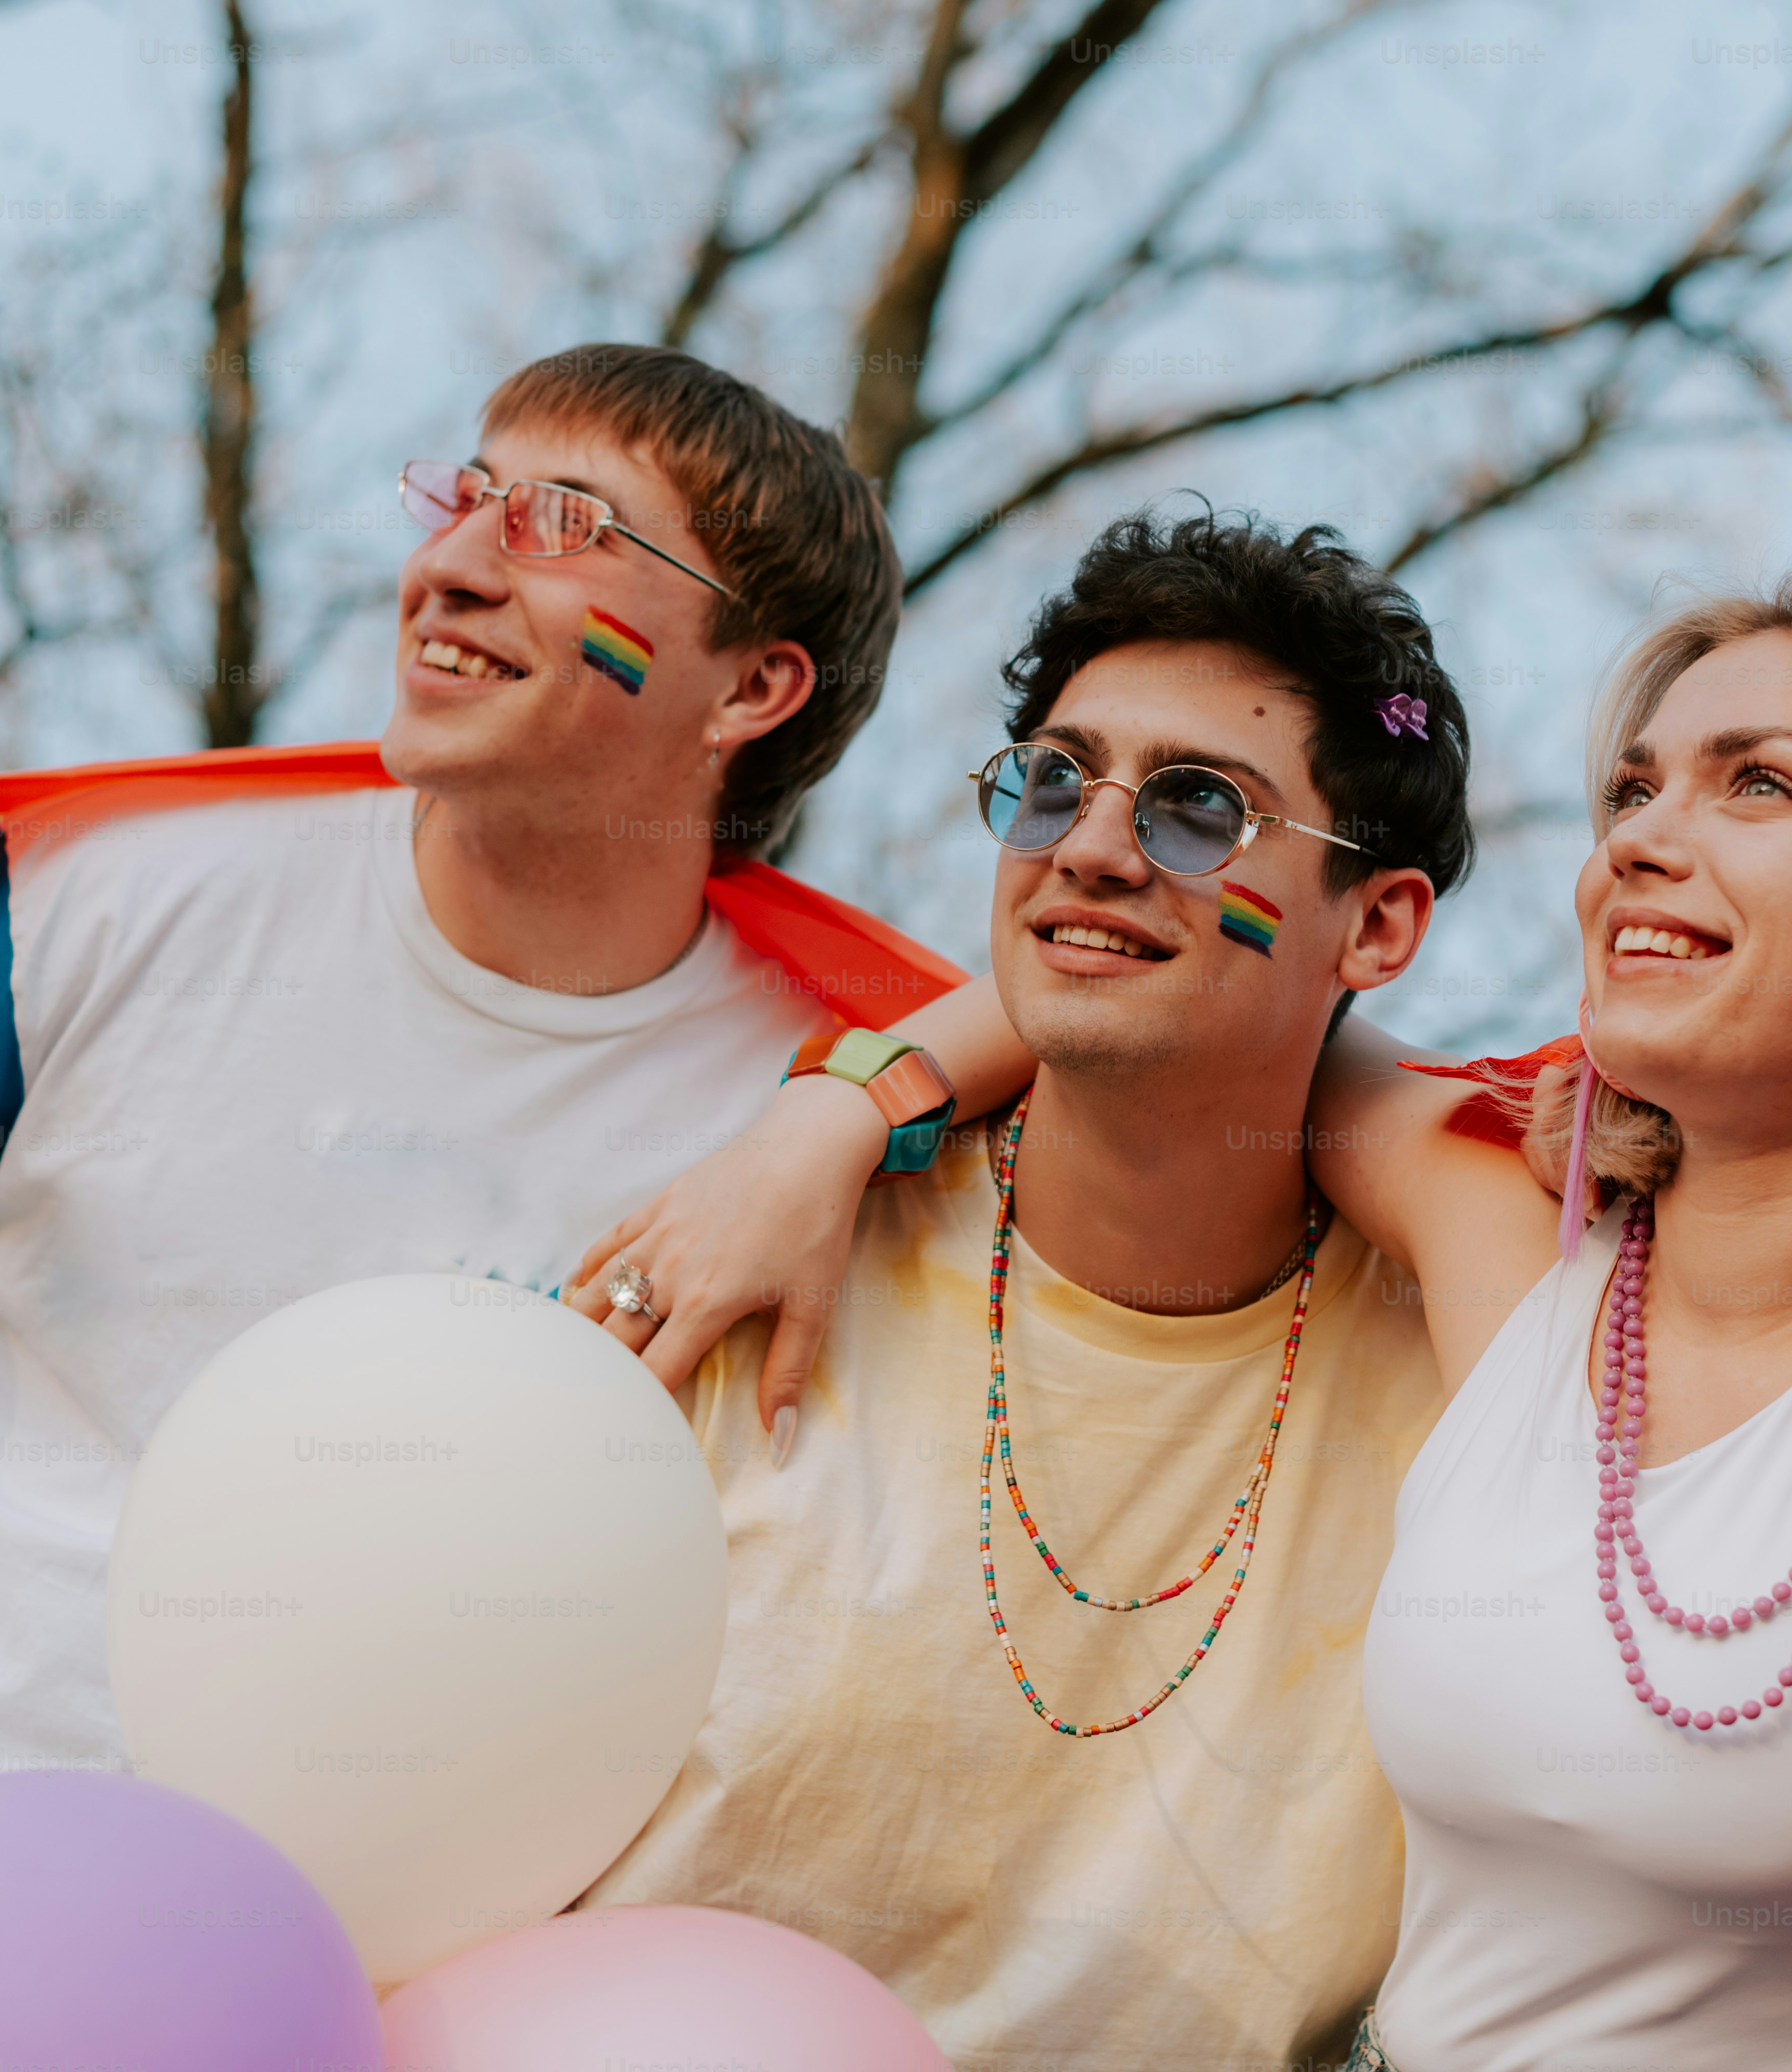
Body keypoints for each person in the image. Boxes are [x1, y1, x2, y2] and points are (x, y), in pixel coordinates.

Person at [0, 344, 928, 2066]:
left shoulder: (805, 1121)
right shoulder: (115, 893)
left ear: (752, 691)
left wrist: (866, 1110)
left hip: (165, 2010)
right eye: (464, 493)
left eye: (563, 522)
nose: (454, 556)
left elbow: (1190, 1066)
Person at [595, 577, 1792, 2067]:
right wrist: (839, 1115)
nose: (1643, 838)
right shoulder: (1513, 1264)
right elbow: (1172, 1010)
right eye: (1632, 791)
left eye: (1759, 784)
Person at [562, 509, 1471, 2069]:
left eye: (1202, 810)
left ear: (1377, 924)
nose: (1093, 847)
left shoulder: (1472, 1347)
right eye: (1052, 780)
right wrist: (841, 1108)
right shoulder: (747, 1265)